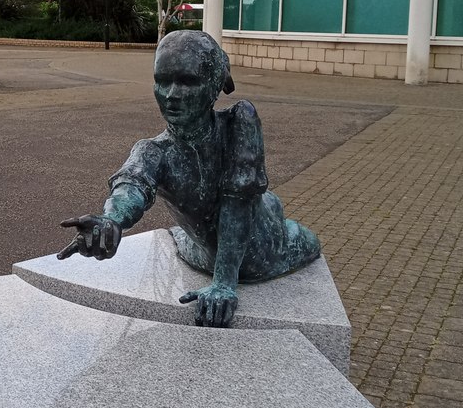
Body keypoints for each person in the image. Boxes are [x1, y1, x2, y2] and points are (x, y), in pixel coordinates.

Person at [57, 30, 321, 329]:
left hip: (266, 249)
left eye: (187, 81)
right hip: (207, 255)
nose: (171, 94)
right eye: (162, 80)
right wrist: (111, 221)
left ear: (214, 85)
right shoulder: (153, 151)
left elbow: (237, 204)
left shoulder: (239, 122)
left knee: (294, 227)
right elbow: (131, 186)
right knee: (265, 212)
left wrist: (223, 285)